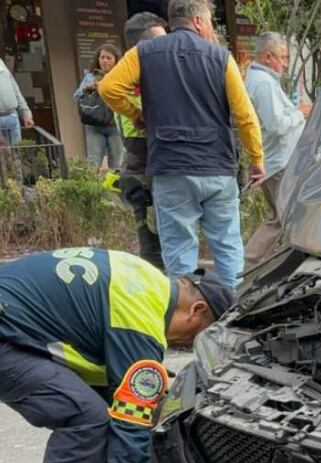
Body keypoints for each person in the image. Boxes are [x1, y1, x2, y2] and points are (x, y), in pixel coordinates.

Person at [1, 248, 234, 463]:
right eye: (200, 333)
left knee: (114, 391)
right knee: (85, 418)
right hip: (7, 333)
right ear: (197, 309)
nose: (188, 343)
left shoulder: (142, 279)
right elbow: (130, 426)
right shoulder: (140, 320)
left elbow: (116, 385)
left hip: (13, 320)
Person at [99, 0, 264, 290]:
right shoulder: (220, 58)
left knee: (179, 256)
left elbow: (108, 88)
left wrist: (137, 114)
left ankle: (187, 320)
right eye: (211, 20)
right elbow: (244, 115)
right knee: (227, 248)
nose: (212, 27)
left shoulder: (144, 52)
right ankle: (234, 314)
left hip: (170, 168)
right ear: (198, 21)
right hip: (217, 167)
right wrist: (256, 160)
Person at [243, 31, 310, 270]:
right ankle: (249, 266)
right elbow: (276, 125)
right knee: (284, 219)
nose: (284, 63)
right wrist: (299, 113)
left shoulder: (264, 80)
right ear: (268, 56)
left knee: (281, 219)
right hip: (278, 164)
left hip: (276, 162)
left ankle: (257, 266)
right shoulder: (262, 84)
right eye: (282, 57)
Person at [114, 11, 168, 270]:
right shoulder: (130, 77)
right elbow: (136, 134)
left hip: (150, 171)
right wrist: (139, 115)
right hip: (143, 173)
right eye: (162, 39)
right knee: (153, 248)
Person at [75, 44, 124, 171]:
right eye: (102, 57)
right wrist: (87, 88)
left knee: (117, 163)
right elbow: (77, 96)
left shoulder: (121, 75)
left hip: (115, 125)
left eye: (108, 58)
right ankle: (93, 190)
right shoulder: (91, 76)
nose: (104, 61)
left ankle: (116, 189)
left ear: (115, 60)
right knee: (93, 162)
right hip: (94, 125)